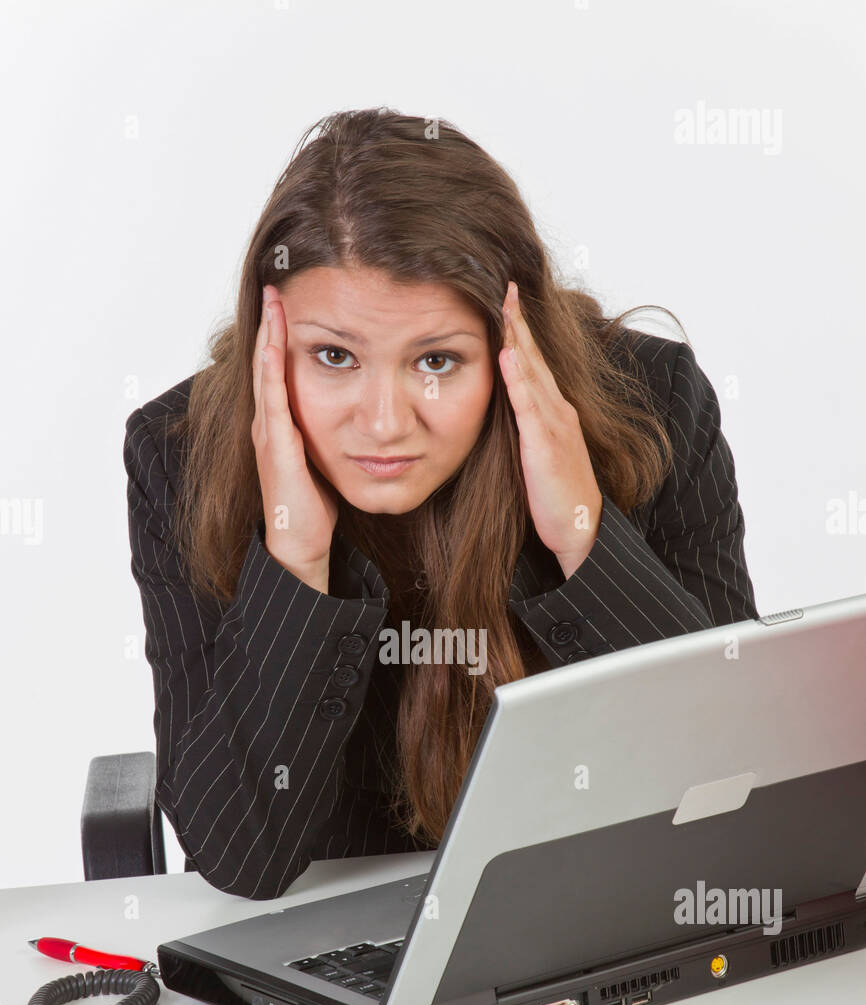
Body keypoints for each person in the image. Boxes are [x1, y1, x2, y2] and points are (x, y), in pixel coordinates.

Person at [124, 107, 758, 902]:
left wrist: (584, 538)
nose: (385, 422)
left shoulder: (655, 406)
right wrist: (294, 561)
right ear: (270, 344)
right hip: (339, 934)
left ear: (507, 346)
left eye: (435, 360)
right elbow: (240, 859)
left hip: (598, 907)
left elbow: (735, 780)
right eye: (333, 357)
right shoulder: (179, 456)